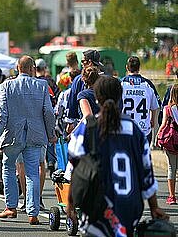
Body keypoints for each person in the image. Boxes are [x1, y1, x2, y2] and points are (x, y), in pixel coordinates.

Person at [67, 76, 167, 235]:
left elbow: (75, 167)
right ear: (121, 96)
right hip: (129, 207)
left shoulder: (88, 127)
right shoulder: (134, 130)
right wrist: (154, 207)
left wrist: (71, 204)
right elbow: (146, 171)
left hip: (96, 208)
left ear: (97, 98)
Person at [0, 56, 55, 225]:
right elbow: (48, 112)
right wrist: (51, 134)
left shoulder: (6, 86)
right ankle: (33, 213)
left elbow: (1, 114)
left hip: (13, 135)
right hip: (35, 134)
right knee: (32, 172)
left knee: (8, 167)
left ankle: (11, 207)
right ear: (32, 68)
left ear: (17, 68)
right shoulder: (42, 85)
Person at [121, 56, 161, 145]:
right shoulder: (148, 84)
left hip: (126, 128)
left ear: (127, 67)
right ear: (139, 68)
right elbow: (155, 107)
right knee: (143, 157)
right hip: (144, 129)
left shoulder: (121, 84)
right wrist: (152, 119)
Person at [66, 49, 104, 133]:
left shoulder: (79, 79)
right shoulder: (107, 79)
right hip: (104, 124)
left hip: (84, 124)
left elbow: (72, 102)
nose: (82, 64)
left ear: (89, 62)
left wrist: (70, 122)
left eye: (83, 61)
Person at [157, 84, 178, 205]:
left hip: (171, 141)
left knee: (171, 168)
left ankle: (172, 196)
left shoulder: (168, 109)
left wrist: (158, 136)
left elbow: (164, 124)